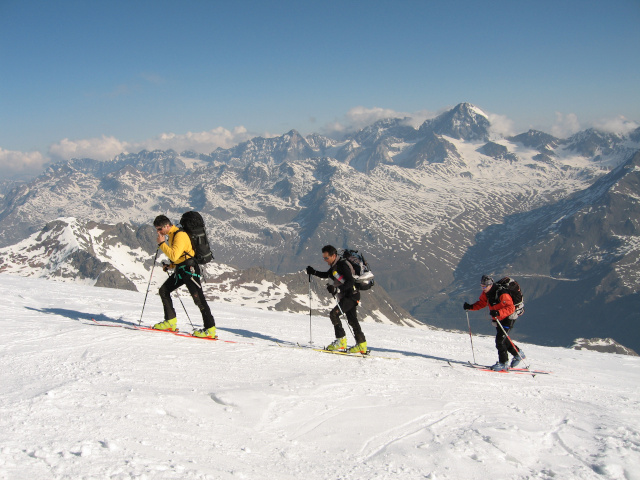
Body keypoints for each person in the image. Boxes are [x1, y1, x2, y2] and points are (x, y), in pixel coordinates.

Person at [152, 215, 216, 338]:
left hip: (189, 270)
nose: (158, 232)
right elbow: (179, 256)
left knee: (199, 299)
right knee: (164, 291)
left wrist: (161, 244)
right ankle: (170, 322)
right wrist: (170, 266)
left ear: (167, 226)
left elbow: (174, 255)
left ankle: (210, 329)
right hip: (182, 269)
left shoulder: (179, 235)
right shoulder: (172, 235)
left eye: (159, 229)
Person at [306, 245, 367, 354]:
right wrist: (313, 272)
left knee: (334, 314)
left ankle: (341, 341)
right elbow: (327, 274)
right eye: (324, 258)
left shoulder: (342, 265)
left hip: (350, 296)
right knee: (352, 320)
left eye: (326, 258)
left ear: (333, 256)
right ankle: (362, 345)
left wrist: (337, 289)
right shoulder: (336, 265)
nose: (325, 260)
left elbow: (350, 282)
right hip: (352, 295)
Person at [463, 275, 525, 370]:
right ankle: (518, 354)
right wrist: (470, 307)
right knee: (503, 339)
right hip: (499, 317)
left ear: (490, 285)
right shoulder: (486, 293)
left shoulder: (501, 293)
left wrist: (498, 312)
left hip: (509, 317)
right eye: (481, 286)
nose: (483, 288)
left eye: (484, 286)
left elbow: (511, 308)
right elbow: (482, 303)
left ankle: (503, 363)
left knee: (500, 341)